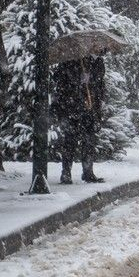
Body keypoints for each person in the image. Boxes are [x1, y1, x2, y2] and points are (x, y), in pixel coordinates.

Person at [54, 55, 107, 185]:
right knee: (70, 141)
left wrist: (92, 87)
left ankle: (88, 172)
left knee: (89, 141)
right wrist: (78, 82)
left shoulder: (97, 62)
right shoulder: (69, 61)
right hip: (72, 108)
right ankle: (66, 173)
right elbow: (59, 81)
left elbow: (100, 84)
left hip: (90, 108)